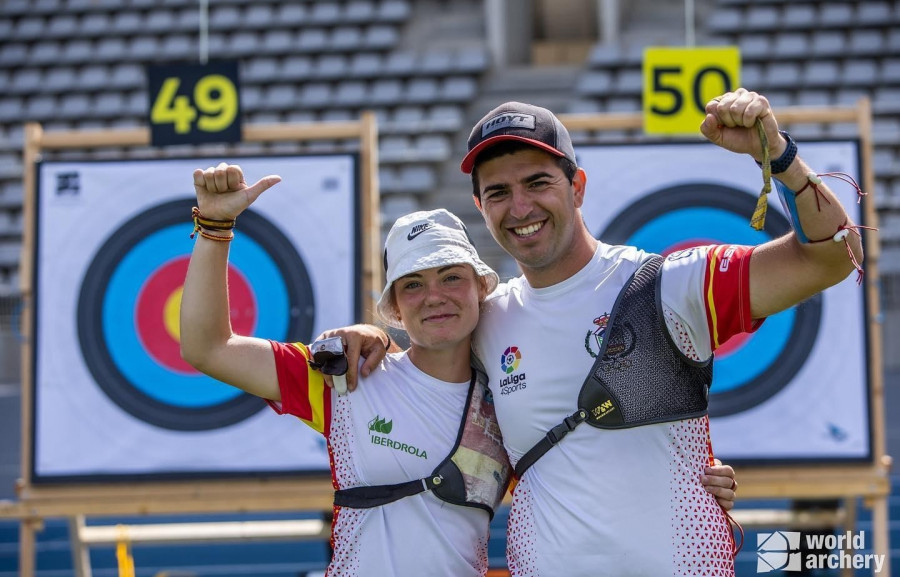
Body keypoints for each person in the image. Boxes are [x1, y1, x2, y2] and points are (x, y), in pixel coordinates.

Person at [334, 88, 866, 576]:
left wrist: (779, 156)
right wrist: (373, 334)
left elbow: (832, 257)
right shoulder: (485, 320)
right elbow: (422, 368)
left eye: (538, 182)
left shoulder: (668, 285)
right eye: (498, 192)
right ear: (481, 207)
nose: (520, 208)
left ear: (577, 186)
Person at [179, 165, 737, 575]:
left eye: (451, 277)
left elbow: (589, 473)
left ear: (482, 290)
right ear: (394, 308)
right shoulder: (345, 379)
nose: (435, 296)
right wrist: (214, 229)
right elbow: (207, 347)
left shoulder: (510, 406)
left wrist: (693, 479)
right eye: (413, 285)